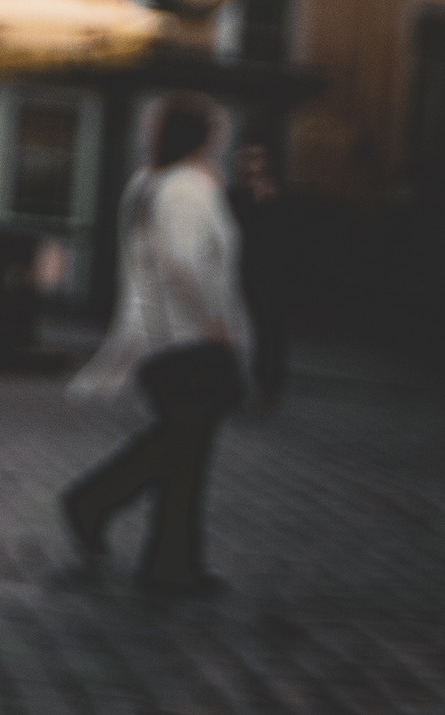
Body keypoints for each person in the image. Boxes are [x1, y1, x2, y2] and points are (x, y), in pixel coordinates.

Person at [62, 92, 250, 596]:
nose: (224, 139)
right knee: (182, 448)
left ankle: (170, 562)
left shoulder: (153, 183)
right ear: (203, 136)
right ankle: (95, 506)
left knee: (182, 450)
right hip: (187, 340)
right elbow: (183, 263)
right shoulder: (186, 188)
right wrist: (216, 323)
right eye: (218, 130)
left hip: (163, 336)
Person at [226, 142, 293, 406]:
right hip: (241, 272)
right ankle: (238, 384)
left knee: (271, 329)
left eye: (255, 158)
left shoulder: (281, 198)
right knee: (240, 329)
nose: (249, 165)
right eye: (244, 159)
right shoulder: (233, 197)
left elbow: (290, 239)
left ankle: (270, 383)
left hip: (273, 275)